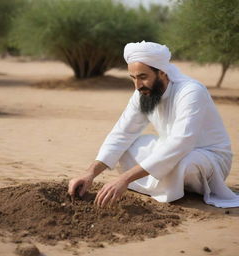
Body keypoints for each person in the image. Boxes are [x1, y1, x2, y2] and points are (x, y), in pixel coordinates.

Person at [68, 41, 239, 208]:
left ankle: (171, 186)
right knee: (127, 147)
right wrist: (90, 174)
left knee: (184, 162)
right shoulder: (142, 92)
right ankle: (169, 185)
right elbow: (122, 133)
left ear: (162, 72)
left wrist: (124, 179)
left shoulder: (191, 91)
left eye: (143, 77)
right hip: (173, 151)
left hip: (209, 158)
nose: (137, 85)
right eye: (133, 78)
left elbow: (181, 144)